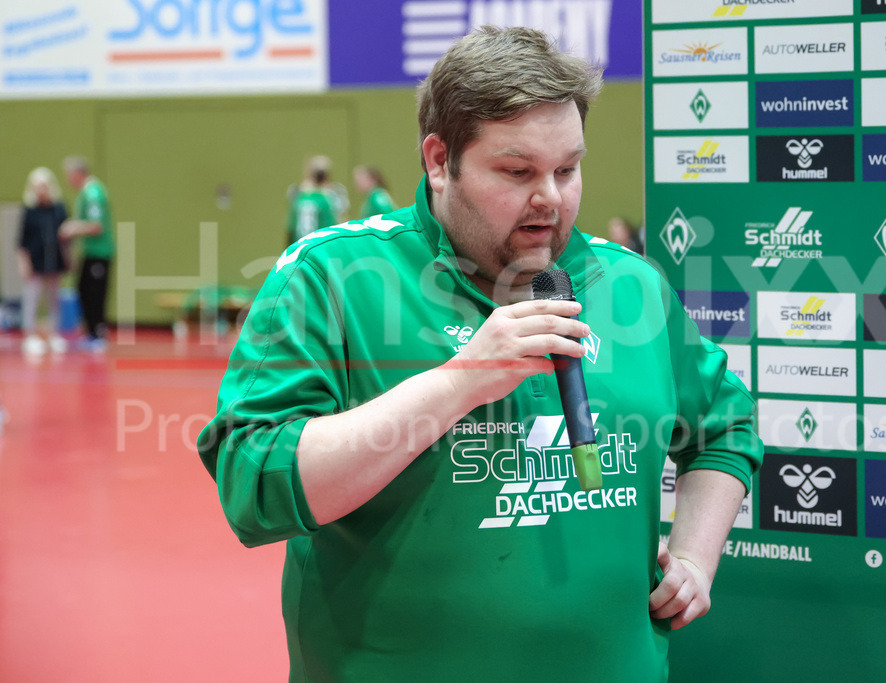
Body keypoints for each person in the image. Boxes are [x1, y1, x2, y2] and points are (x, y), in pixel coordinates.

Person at [198, 26, 762, 681]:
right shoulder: (332, 276)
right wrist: (459, 382)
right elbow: (254, 484)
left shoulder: (631, 283)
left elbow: (725, 424)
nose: (550, 198)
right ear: (440, 161)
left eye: (567, 169)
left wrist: (693, 557)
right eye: (517, 171)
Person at [59, 156, 115, 352]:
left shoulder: (93, 193)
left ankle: (97, 334)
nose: (68, 180)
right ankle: (91, 332)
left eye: (69, 175)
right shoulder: (86, 192)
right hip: (89, 252)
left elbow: (96, 226)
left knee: (94, 293)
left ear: (77, 173)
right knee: (83, 290)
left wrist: (73, 228)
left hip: (99, 253)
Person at [18, 167, 69, 355]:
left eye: (44, 186)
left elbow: (66, 237)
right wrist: (23, 263)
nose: (41, 190)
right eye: (37, 186)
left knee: (55, 300)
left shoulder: (59, 208)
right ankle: (30, 335)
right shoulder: (29, 210)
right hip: (35, 263)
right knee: (32, 299)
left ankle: (54, 334)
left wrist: (68, 258)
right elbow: (22, 241)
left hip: (54, 261)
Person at [286, 155, 349, 244]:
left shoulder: (298, 196)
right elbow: (340, 222)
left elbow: (291, 228)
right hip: (323, 244)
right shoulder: (330, 197)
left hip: (300, 245)